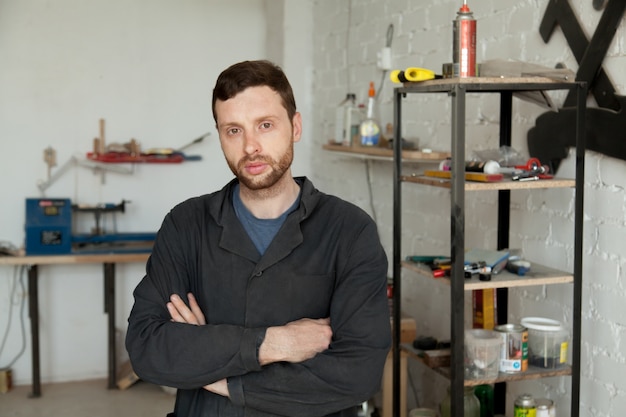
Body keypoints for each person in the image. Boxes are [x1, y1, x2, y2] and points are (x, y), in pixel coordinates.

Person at [125, 60, 391, 417]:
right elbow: (147, 348)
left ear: (294, 127)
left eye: (265, 125)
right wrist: (275, 343)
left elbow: (358, 373)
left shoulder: (349, 231)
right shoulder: (185, 225)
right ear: (219, 135)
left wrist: (215, 376)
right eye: (233, 130)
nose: (250, 146)